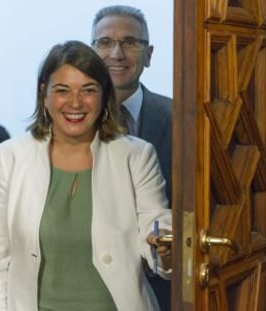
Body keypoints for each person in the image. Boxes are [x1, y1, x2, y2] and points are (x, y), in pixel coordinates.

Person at [0, 40, 172, 311]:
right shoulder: (11, 156)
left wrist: (163, 248)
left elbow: (157, 231)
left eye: (88, 90)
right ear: (44, 94)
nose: (75, 103)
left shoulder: (137, 156)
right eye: (63, 90)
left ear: (103, 96)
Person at [91, 5, 173, 310]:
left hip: (163, 289)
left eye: (130, 42)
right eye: (104, 42)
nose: (117, 53)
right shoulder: (69, 121)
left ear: (149, 54)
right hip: (87, 284)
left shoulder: (185, 120)